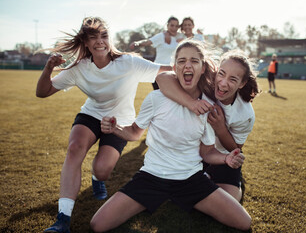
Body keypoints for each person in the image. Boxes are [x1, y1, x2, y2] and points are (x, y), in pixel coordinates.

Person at [90, 40, 252, 232]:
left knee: (244, 222)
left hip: (190, 179)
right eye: (182, 61)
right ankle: (166, 197)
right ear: (175, 68)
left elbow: (207, 151)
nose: (188, 65)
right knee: (98, 225)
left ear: (203, 68)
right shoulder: (155, 98)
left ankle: (187, 194)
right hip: (151, 177)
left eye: (194, 61)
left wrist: (226, 158)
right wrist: (116, 128)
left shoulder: (208, 107)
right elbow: (134, 132)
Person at [36, 16, 172, 233]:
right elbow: (42, 92)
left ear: (110, 39)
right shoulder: (79, 68)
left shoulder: (129, 63)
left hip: (120, 122)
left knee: (102, 171)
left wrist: (198, 67)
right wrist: (48, 69)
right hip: (91, 115)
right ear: (86, 43)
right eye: (93, 37)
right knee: (74, 150)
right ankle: (62, 220)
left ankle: (96, 178)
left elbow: (166, 69)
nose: (100, 41)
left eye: (104, 35)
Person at [156, 49, 260, 203]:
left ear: (242, 83)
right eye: (222, 73)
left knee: (230, 200)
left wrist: (220, 128)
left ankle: (206, 178)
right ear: (216, 71)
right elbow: (162, 78)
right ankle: (200, 178)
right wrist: (191, 103)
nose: (223, 83)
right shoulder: (206, 83)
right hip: (196, 151)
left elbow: (235, 148)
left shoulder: (245, 113)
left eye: (232, 79)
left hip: (223, 156)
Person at [129, 16, 184, 90]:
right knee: (159, 95)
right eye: (172, 25)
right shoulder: (161, 36)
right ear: (167, 25)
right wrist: (137, 43)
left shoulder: (181, 37)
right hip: (159, 71)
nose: (174, 28)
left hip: (173, 72)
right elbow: (147, 42)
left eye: (176, 26)